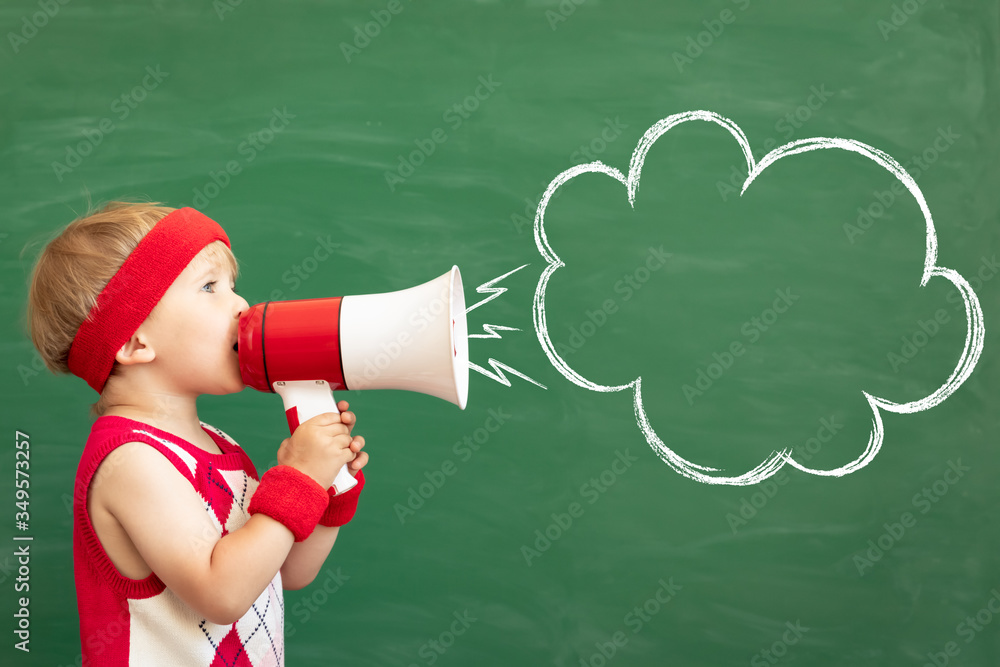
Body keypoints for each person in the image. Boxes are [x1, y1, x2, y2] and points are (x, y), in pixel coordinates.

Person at [24, 201, 367, 666]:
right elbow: (222, 592)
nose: (242, 304)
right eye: (209, 287)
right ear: (133, 341)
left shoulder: (220, 445)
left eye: (233, 286)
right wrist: (299, 479)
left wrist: (327, 490)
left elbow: (286, 571)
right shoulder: (132, 461)